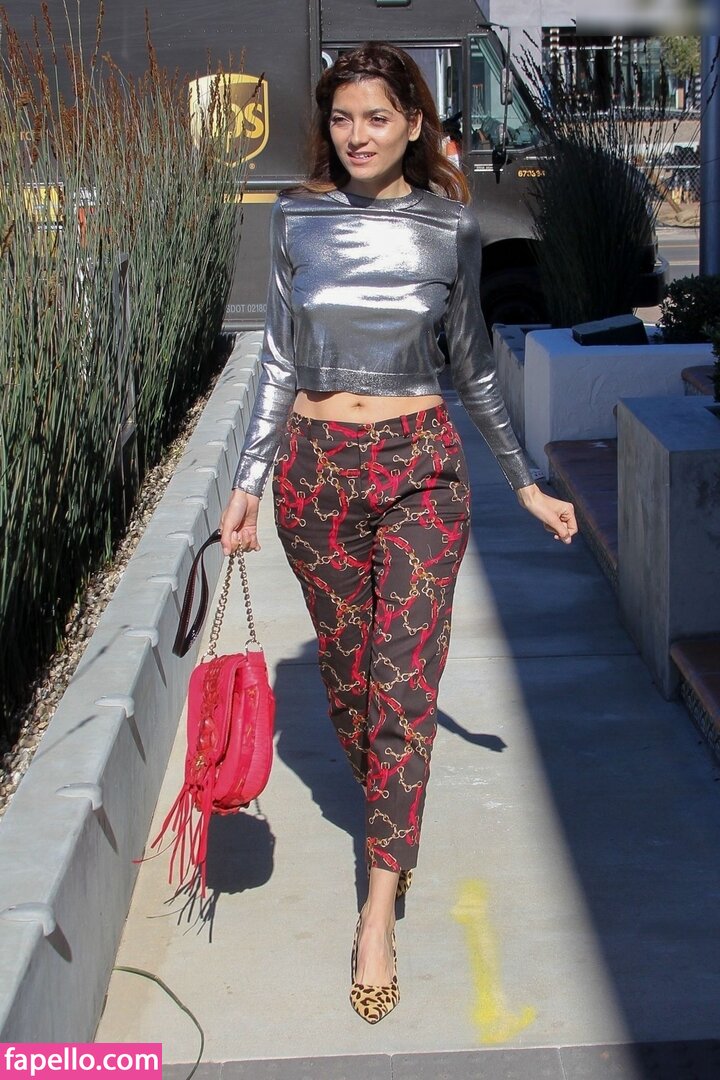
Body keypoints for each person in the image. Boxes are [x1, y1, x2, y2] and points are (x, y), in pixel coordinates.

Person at [220, 41, 577, 1024]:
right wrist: (248, 480)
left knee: (405, 689)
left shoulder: (450, 227)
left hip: (421, 467)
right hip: (315, 473)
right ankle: (392, 815)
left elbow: (474, 367)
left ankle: (377, 906)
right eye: (343, 118)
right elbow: (278, 360)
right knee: (352, 688)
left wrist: (526, 481)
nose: (358, 135)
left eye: (377, 117)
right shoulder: (296, 218)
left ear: (414, 122)